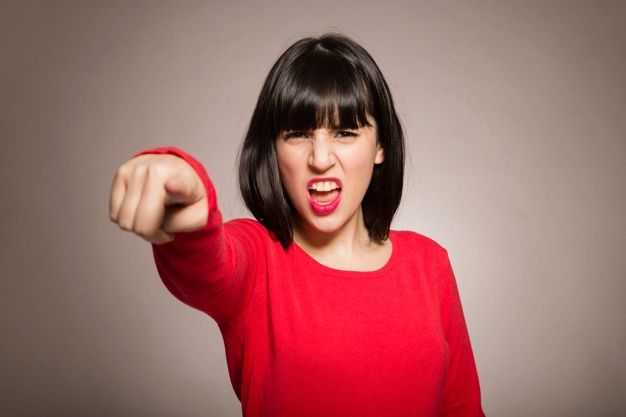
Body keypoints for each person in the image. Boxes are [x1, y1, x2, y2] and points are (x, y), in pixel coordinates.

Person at [109, 33, 485, 417]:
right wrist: (179, 182)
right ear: (273, 147)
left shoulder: (430, 264)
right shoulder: (256, 258)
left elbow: (463, 409)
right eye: (298, 134)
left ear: (380, 146)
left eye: (345, 132)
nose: (320, 158)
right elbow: (204, 262)